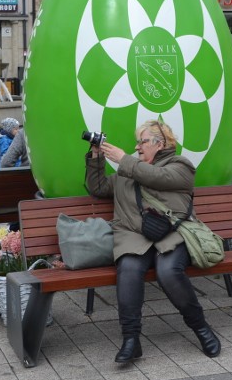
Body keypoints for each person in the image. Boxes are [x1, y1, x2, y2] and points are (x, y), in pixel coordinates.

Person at [85, 120, 220, 363]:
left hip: (172, 233)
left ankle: (201, 328)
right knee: (128, 269)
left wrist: (124, 159)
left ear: (161, 144)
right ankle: (131, 340)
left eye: (143, 142)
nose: (137, 147)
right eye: (137, 142)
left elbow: (156, 177)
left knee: (168, 271)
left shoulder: (180, 166)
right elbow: (98, 187)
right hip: (134, 237)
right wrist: (96, 155)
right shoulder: (127, 172)